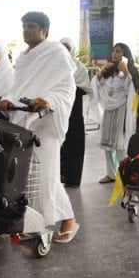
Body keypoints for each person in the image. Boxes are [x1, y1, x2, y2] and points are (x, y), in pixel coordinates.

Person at [0, 11, 78, 243]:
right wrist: (7, 99)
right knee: (28, 176)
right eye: (24, 26)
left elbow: (66, 89)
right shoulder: (23, 57)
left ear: (45, 30)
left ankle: (68, 219)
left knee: (47, 175)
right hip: (23, 122)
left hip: (46, 125)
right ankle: (34, 222)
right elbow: (18, 88)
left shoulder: (56, 53)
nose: (26, 31)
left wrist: (49, 100)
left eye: (31, 26)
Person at [94, 42, 139, 185]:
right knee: (107, 141)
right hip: (108, 109)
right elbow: (98, 87)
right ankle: (110, 174)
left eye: (118, 51)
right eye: (113, 51)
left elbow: (133, 90)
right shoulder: (108, 69)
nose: (115, 54)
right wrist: (101, 73)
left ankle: (124, 173)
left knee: (120, 143)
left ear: (125, 54)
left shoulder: (130, 69)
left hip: (122, 109)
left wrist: (126, 72)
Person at [59, 37, 93, 187]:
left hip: (74, 109)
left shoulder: (79, 67)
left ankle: (73, 177)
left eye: (67, 47)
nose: (64, 49)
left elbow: (85, 88)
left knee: (73, 142)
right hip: (59, 108)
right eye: (62, 47)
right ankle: (59, 175)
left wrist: (70, 87)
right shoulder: (54, 65)